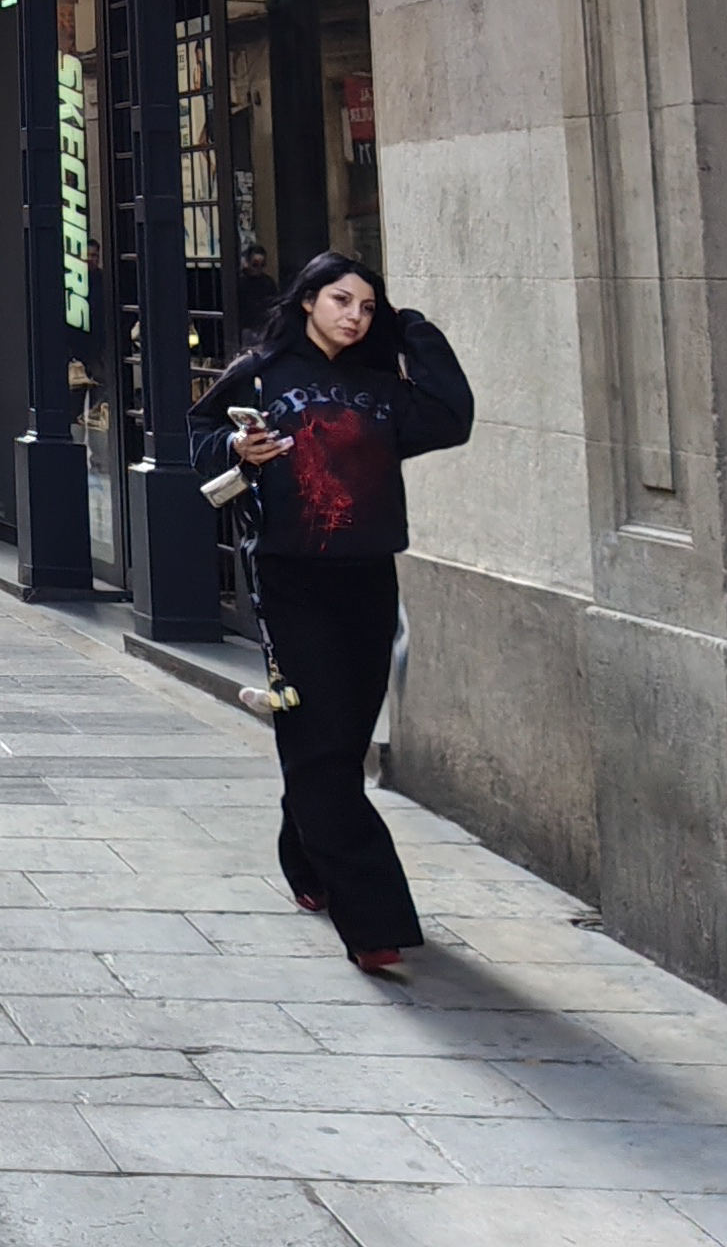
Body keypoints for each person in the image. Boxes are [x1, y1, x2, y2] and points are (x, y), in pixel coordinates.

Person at [192, 250, 473, 978]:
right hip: (289, 582)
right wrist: (235, 446)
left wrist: (412, 328)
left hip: (368, 576)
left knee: (340, 742)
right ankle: (372, 920)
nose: (355, 316)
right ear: (309, 300)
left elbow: (452, 418)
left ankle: (306, 854)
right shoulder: (261, 373)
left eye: (368, 307)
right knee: (321, 745)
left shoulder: (381, 383)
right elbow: (193, 440)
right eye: (342, 300)